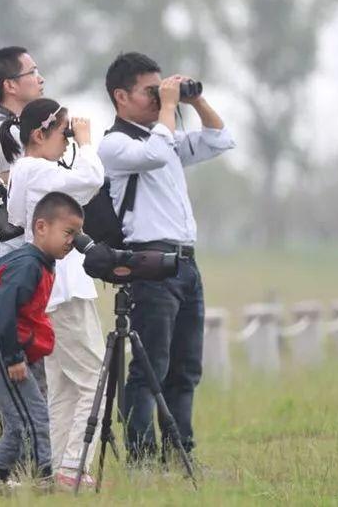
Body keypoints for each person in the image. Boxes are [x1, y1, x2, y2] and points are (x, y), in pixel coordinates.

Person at [97, 52, 235, 462]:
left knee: (185, 367)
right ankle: (141, 458)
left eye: (162, 89)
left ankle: (180, 452)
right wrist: (171, 108)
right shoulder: (114, 144)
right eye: (150, 91)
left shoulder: (166, 136)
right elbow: (155, 154)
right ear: (120, 96)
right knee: (149, 368)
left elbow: (219, 139)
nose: (159, 98)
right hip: (149, 263)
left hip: (186, 264)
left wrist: (195, 100)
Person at [4, 98, 106, 489]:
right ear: (38, 134)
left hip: (47, 291)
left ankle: (54, 471)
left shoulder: (22, 172)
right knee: (94, 378)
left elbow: (16, 217)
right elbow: (91, 180)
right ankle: (74, 467)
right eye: (62, 133)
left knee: (63, 386)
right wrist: (86, 141)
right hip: (65, 290)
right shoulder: (37, 170)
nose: (66, 142)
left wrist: (73, 145)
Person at [0, 191, 85, 493]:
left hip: (0, 341)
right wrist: (13, 358)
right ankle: (44, 482)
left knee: (17, 421)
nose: (72, 242)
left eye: (76, 235)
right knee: (35, 415)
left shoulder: (41, 262)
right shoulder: (29, 265)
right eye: (68, 233)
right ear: (41, 227)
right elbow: (4, 309)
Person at [0, 46, 46, 257]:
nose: (41, 79)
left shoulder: (20, 129)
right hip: (18, 248)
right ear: (10, 85)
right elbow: (16, 196)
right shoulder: (1, 132)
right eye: (33, 72)